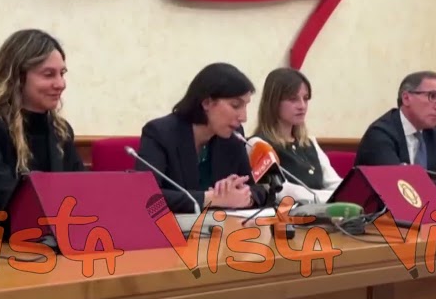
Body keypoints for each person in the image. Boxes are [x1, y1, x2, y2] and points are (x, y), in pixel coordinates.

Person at [0, 29, 85, 226]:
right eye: (48, 75)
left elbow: (81, 191)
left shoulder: (62, 131)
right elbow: (9, 199)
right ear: (17, 77)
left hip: (49, 236)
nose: (60, 84)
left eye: (62, 73)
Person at [136, 62, 267, 213]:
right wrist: (211, 199)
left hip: (220, 226)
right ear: (207, 103)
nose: (243, 117)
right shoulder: (160, 133)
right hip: (172, 226)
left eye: (246, 106)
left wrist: (244, 196)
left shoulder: (232, 136)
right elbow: (145, 195)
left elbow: (257, 189)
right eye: (236, 105)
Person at [248, 67, 342, 203]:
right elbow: (282, 192)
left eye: (306, 99)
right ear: (274, 102)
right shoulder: (257, 145)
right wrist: (335, 198)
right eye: (293, 99)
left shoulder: (310, 142)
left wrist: (350, 193)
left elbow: (334, 183)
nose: (302, 106)